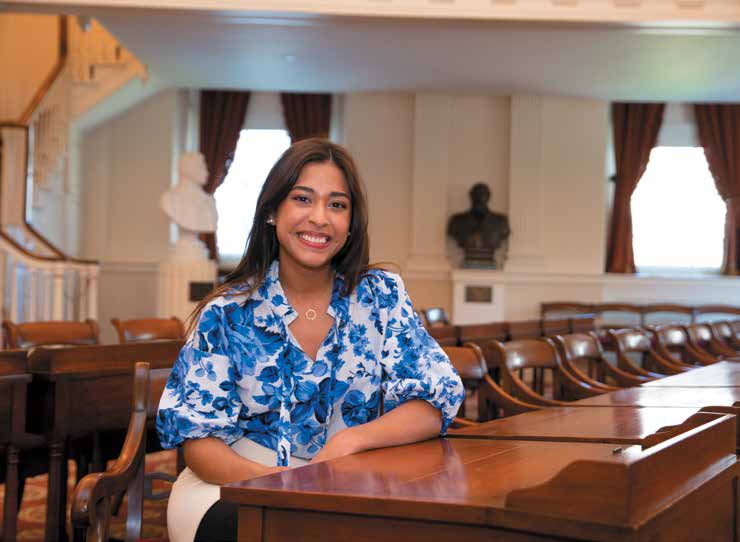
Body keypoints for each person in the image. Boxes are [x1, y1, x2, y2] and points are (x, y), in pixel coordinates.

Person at [156, 138, 465, 542]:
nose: (319, 218)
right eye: (303, 199)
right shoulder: (226, 311)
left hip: (354, 479)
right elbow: (198, 442)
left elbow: (433, 401)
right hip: (234, 484)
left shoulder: (382, 295)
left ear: (351, 222)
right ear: (272, 211)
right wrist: (282, 483)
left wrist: (352, 440)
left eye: (337, 205)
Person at [447, 182, 510, 268]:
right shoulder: (457, 220)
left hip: (489, 262)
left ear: (488, 196)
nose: (480, 197)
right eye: (476, 194)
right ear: (471, 196)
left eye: (483, 194)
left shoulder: (500, 221)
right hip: (467, 263)